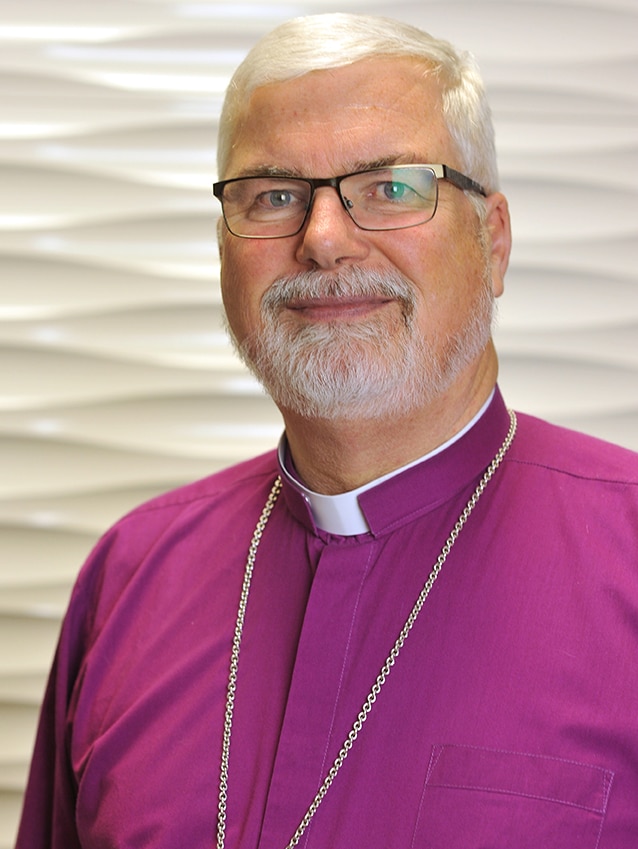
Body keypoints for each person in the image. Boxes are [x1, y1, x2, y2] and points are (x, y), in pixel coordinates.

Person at [15, 13, 638, 849]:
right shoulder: (131, 575)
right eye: (273, 195)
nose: (323, 238)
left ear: (492, 240)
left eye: (389, 187)